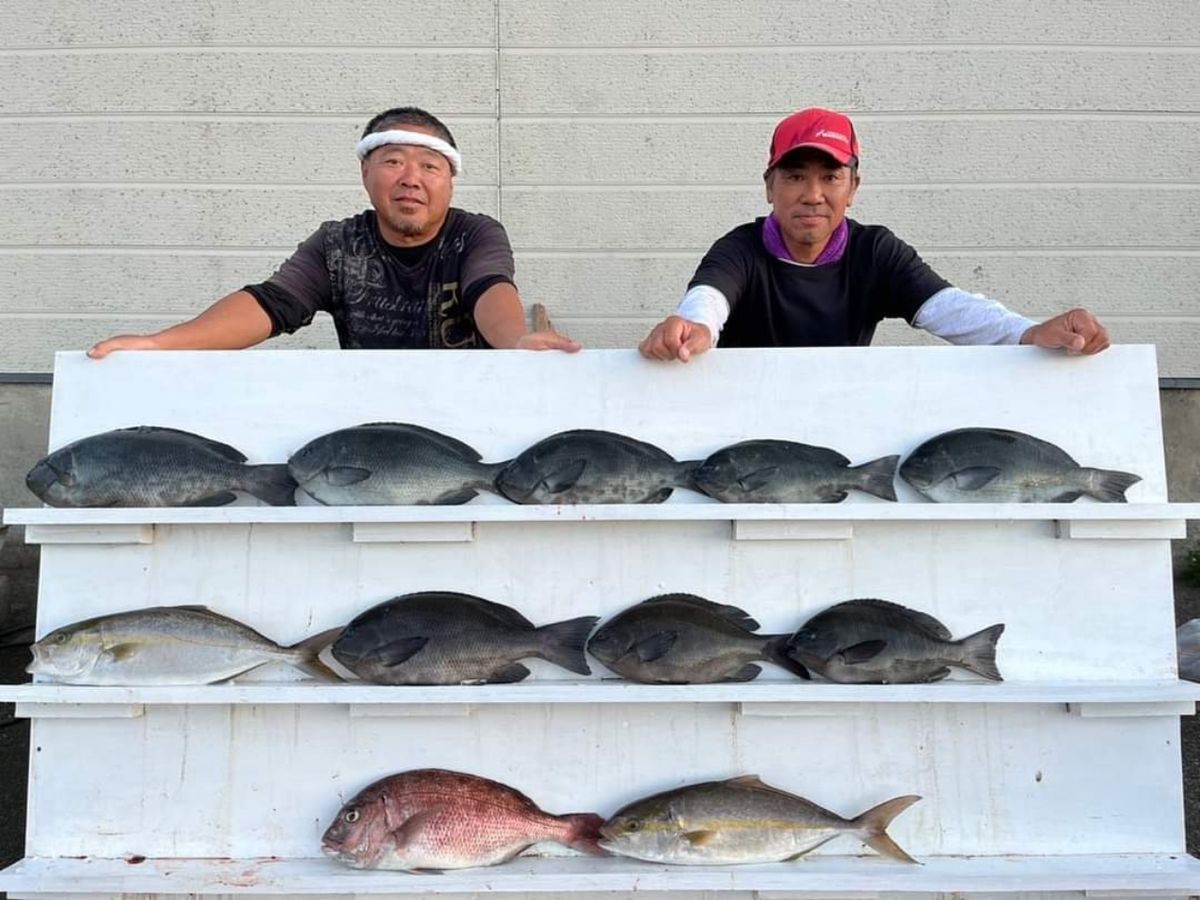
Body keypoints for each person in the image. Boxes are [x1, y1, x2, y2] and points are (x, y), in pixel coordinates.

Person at [89, 107, 579, 358]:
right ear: (366, 174)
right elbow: (270, 303)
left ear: (449, 182)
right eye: (393, 162)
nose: (411, 178)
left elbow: (489, 290)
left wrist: (517, 340)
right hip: (368, 416)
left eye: (430, 166)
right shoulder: (337, 244)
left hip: (474, 413)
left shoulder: (475, 234)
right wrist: (160, 344)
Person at [638, 107, 1109, 362]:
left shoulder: (875, 252)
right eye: (795, 176)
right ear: (769, 186)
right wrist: (692, 329)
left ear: (853, 188)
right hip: (741, 437)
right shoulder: (740, 248)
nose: (813, 194)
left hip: (842, 423)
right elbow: (708, 300)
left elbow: (949, 307)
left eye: (831, 177)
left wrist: (1027, 332)